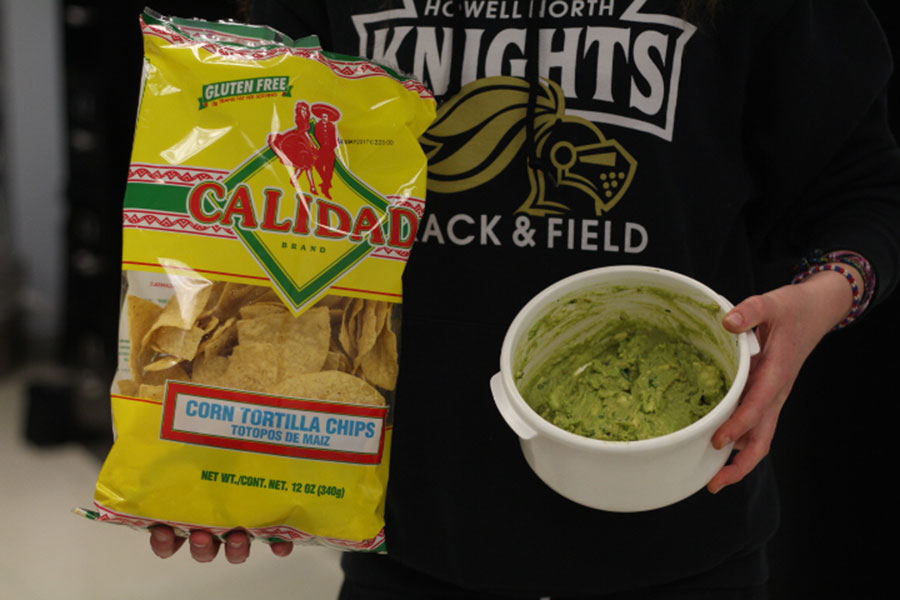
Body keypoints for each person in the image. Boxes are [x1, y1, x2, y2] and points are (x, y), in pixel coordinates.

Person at [149, 1, 900, 598]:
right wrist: (220, 449)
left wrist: (824, 298)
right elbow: (244, 203)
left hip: (686, 535)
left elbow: (862, 192)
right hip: (415, 540)